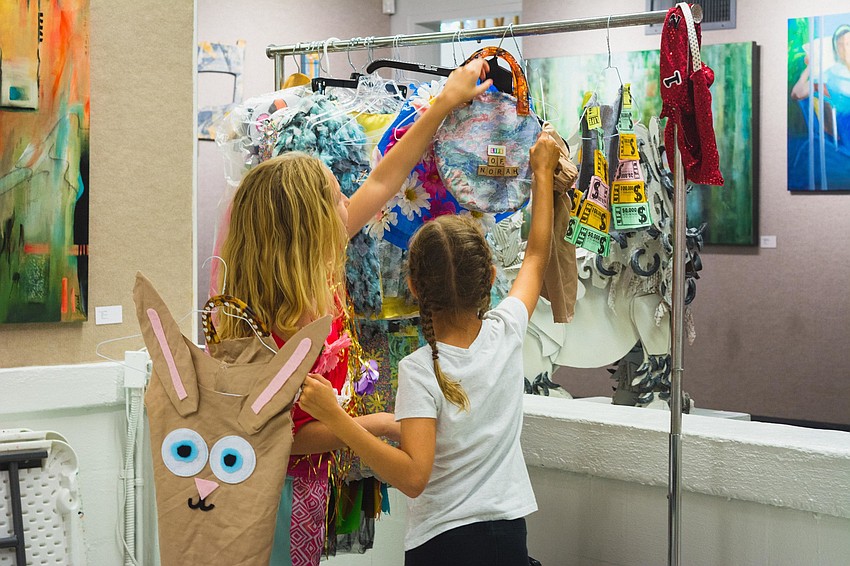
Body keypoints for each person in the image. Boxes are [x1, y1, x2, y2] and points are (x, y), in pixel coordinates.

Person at [215, 59, 494, 566]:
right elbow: (285, 436)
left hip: (308, 482)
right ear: (307, 223)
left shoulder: (321, 260)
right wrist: (379, 423)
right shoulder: (276, 317)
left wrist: (444, 102)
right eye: (335, 194)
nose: (349, 196)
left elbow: (387, 180)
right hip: (270, 489)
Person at [299, 131, 561, 566]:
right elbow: (536, 255)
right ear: (492, 275)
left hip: (443, 543)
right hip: (509, 533)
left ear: (415, 287)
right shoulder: (507, 330)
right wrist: (542, 172)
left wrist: (336, 419)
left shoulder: (421, 370)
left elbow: (414, 477)